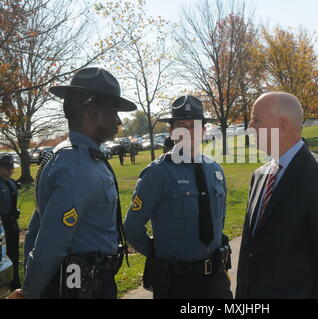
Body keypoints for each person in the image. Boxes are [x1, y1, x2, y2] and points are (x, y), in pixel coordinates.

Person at [7, 67, 137, 299]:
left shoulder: (80, 157)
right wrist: (29, 293)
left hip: (86, 283)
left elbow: (38, 226)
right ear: (93, 112)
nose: (118, 120)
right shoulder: (77, 166)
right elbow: (50, 243)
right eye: (113, 111)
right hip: (81, 288)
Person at [236, 92, 318, 299]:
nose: (250, 126)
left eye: (256, 120)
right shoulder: (259, 176)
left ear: (282, 125)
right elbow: (248, 253)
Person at [123, 95, 233, 299]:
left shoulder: (215, 170)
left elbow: (220, 218)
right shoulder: (158, 173)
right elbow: (132, 227)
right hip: (176, 284)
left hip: (217, 283)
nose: (188, 132)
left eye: (194, 126)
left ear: (203, 131)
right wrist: (159, 255)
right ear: (172, 131)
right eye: (182, 125)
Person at [0, 154, 21, 290]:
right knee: (3, 257)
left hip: (13, 224)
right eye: (6, 167)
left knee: (14, 254)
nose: (10, 169)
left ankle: (15, 283)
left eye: (11, 167)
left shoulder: (12, 182)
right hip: (1, 226)